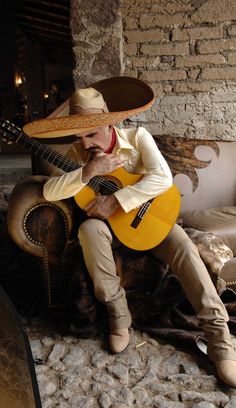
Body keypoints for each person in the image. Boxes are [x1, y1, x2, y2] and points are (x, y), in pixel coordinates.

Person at [41, 79, 236, 388]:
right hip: (109, 231)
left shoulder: (137, 137)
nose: (86, 142)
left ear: (109, 124)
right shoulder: (77, 154)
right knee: (89, 230)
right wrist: (89, 171)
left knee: (185, 248)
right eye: (80, 135)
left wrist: (117, 199)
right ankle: (119, 316)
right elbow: (50, 191)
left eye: (91, 133)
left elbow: (162, 178)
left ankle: (220, 341)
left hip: (151, 221)